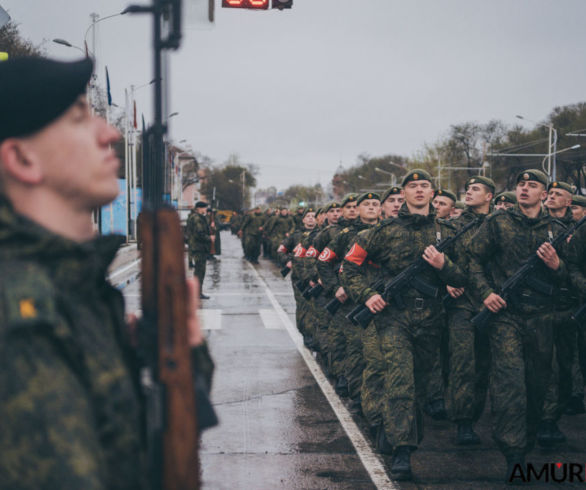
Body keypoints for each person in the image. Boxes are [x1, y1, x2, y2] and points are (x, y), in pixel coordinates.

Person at [0, 56, 215, 489]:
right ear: (22, 158)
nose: (110, 134)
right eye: (80, 119)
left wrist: (180, 356)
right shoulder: (21, 303)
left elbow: (130, 452)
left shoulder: (70, 283)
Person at [342, 170, 466, 480]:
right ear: (404, 193)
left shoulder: (447, 231)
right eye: (413, 186)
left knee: (421, 387)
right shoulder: (381, 232)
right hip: (394, 319)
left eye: (425, 186)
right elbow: (348, 268)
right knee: (400, 383)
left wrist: (443, 265)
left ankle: (393, 427)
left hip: (432, 319)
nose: (420, 190)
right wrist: (368, 295)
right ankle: (402, 450)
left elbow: (465, 277)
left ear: (432, 192)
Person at [467, 169, 568, 482]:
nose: (525, 189)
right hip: (506, 316)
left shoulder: (559, 230)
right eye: (521, 184)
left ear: (544, 195)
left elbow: (573, 276)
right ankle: (513, 453)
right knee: (510, 383)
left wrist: (557, 266)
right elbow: (473, 260)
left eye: (532, 185)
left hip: (541, 317)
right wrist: (486, 294)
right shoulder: (496, 223)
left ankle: (528, 437)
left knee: (538, 384)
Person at [186, 201, 213, 299]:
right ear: (200, 208)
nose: (206, 209)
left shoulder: (195, 217)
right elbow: (199, 234)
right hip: (199, 247)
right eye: (205, 208)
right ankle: (197, 293)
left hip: (197, 247)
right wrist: (209, 238)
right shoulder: (197, 218)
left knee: (199, 271)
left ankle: (197, 292)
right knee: (200, 271)